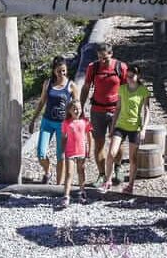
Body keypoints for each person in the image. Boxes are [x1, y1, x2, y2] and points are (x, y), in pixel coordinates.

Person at [79, 43, 128, 187]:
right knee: (98, 144)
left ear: (111, 54)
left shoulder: (121, 67)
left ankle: (118, 167)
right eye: (100, 58)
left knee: (117, 142)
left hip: (116, 110)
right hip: (97, 110)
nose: (102, 61)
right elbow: (86, 87)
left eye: (105, 58)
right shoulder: (93, 67)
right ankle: (102, 174)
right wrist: (81, 107)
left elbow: (127, 90)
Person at [26, 56, 76, 185]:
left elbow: (77, 105)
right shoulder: (48, 83)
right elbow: (42, 102)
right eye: (59, 71)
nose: (62, 74)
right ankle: (48, 171)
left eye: (64, 71)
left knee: (61, 156)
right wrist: (33, 120)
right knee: (41, 153)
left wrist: (76, 124)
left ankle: (58, 186)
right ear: (54, 71)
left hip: (62, 124)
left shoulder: (71, 85)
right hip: (47, 121)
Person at [104, 64, 152, 193]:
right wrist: (112, 127)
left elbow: (147, 110)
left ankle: (130, 185)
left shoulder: (143, 91)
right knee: (111, 153)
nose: (129, 78)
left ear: (138, 76)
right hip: (121, 125)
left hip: (135, 127)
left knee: (133, 158)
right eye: (128, 76)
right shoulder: (122, 89)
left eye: (132, 76)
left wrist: (144, 129)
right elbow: (118, 108)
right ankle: (107, 181)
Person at [59, 100, 91, 207]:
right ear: (69, 110)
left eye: (79, 108)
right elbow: (63, 138)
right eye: (74, 109)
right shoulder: (66, 123)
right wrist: (62, 151)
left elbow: (89, 137)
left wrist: (89, 150)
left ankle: (82, 192)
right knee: (69, 174)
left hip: (81, 151)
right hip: (70, 151)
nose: (77, 111)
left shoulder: (85, 121)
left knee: (81, 171)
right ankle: (66, 196)